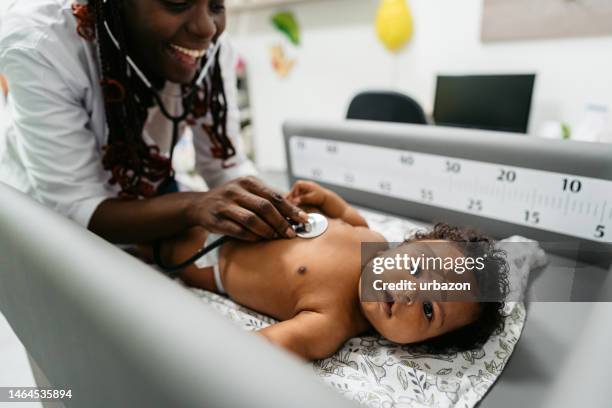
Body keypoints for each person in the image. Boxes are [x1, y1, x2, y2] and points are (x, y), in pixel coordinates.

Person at [0, 0, 307, 248]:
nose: (206, 28)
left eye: (216, 5)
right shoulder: (40, 42)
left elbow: (224, 166)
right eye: (177, 2)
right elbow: (75, 208)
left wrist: (284, 207)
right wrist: (193, 206)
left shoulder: (212, 49)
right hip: (53, 221)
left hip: (142, 194)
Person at [159, 180, 509, 360]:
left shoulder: (331, 322)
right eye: (416, 267)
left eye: (429, 310)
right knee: (170, 200)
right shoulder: (373, 238)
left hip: (208, 258)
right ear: (403, 245)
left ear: (426, 343)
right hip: (235, 210)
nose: (408, 294)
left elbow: (268, 345)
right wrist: (328, 200)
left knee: (156, 243)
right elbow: (350, 220)